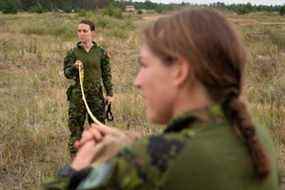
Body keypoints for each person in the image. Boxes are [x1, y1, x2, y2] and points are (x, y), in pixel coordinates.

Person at [44, 9, 279, 189]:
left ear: (179, 71)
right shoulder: (257, 138)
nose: (138, 81)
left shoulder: (153, 158)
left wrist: (79, 166)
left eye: (144, 65)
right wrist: (131, 142)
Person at [63, 20, 113, 157]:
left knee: (98, 128)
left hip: (96, 96)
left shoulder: (101, 52)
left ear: (92, 33)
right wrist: (74, 67)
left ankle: (98, 157)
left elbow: (106, 74)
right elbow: (66, 73)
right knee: (75, 127)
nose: (81, 34)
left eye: (85, 31)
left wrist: (109, 94)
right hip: (78, 96)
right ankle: (75, 159)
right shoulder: (72, 53)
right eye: (79, 31)